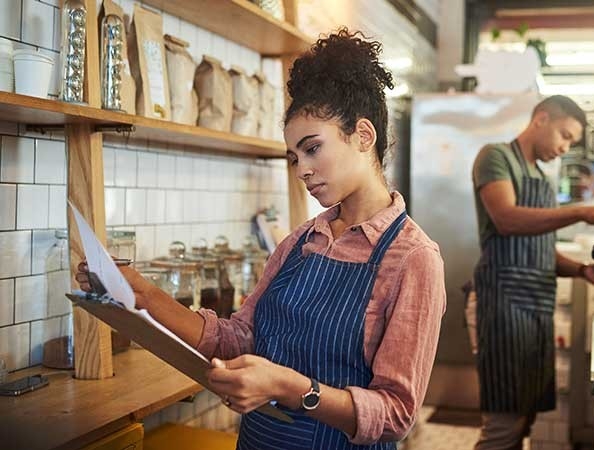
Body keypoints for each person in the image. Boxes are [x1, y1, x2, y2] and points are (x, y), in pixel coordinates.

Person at [77, 29, 446, 450]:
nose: (302, 170)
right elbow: (237, 338)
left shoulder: (413, 258)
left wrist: (292, 388)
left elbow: (395, 414)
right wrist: (142, 294)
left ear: (363, 136)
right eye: (293, 157)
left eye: (312, 149)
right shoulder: (301, 241)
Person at [471, 95, 594, 450]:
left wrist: (583, 270)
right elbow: (507, 219)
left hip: (536, 308)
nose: (565, 147)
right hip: (502, 305)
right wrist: (581, 212)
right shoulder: (496, 157)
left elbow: (541, 251)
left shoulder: (541, 177)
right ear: (541, 119)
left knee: (525, 419)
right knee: (504, 423)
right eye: (564, 135)